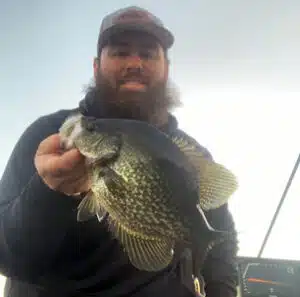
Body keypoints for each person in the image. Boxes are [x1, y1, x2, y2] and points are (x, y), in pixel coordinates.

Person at [0, 6, 239, 297]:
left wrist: (222, 291)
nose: (135, 63)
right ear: (96, 66)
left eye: (148, 54)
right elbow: (7, 254)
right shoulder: (50, 136)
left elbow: (217, 240)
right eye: (120, 52)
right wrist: (49, 192)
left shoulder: (190, 155)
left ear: (166, 67)